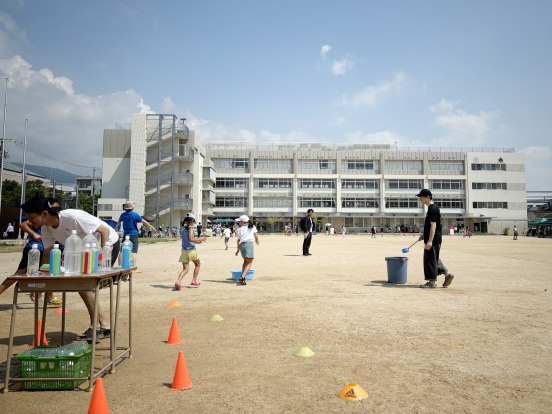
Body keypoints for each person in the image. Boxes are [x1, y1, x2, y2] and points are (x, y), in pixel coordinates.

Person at [21, 196, 121, 341]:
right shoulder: (45, 228)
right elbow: (48, 254)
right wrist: (40, 277)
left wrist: (101, 257)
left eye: (31, 217)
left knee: (86, 285)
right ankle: (103, 325)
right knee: (81, 285)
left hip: (107, 245)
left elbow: (104, 231)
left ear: (45, 214)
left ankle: (96, 327)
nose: (30, 222)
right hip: (84, 250)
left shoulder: (73, 217)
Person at [115, 201, 157, 270]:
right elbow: (144, 222)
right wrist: (152, 227)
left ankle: (120, 266)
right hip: (134, 235)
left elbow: (118, 223)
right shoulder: (135, 215)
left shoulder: (123, 215)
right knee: (134, 251)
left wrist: (116, 228)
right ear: (132, 208)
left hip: (126, 235)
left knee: (122, 251)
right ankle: (133, 267)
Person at [416, 189, 443, 288]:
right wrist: (424, 235)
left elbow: (433, 226)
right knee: (433, 259)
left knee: (430, 261)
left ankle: (431, 283)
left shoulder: (432, 208)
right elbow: (429, 226)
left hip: (433, 240)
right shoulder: (432, 208)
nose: (420, 200)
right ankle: (446, 274)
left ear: (428, 197)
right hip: (433, 238)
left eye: (422, 197)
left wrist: (430, 241)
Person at [175, 214, 206, 290]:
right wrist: (201, 239)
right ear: (191, 221)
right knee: (197, 264)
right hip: (191, 251)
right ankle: (194, 280)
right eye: (194, 221)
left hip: (184, 251)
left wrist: (197, 242)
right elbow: (190, 239)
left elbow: (187, 240)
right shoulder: (191, 229)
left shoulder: (182, 229)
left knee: (185, 269)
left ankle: (178, 281)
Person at [234, 215, 259, 285]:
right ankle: (242, 277)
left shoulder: (240, 229)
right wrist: (257, 241)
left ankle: (243, 277)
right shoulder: (252, 227)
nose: (239, 222)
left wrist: (238, 250)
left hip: (242, 245)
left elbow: (238, 240)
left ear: (243, 222)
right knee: (249, 263)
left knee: (245, 261)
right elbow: (256, 236)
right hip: (249, 245)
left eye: (239, 221)